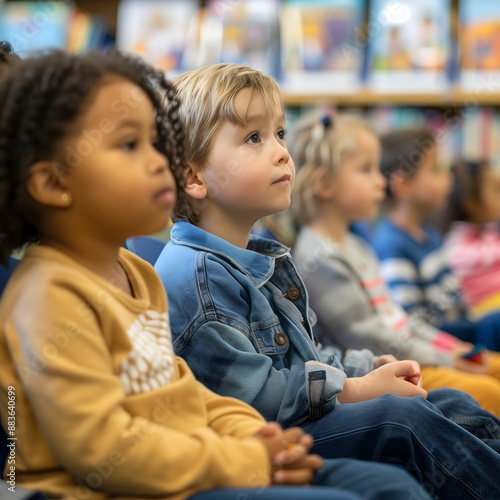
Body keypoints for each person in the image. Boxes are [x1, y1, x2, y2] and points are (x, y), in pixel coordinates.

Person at [0, 47, 429, 500]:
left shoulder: (135, 274)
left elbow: (180, 391)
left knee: (387, 484)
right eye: (130, 145)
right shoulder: (48, 297)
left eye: (156, 142)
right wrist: (244, 459)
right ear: (53, 183)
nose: (160, 161)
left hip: (201, 461)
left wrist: (252, 436)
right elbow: (108, 452)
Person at [155, 62, 500, 499]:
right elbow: (256, 398)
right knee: (400, 421)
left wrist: (364, 370)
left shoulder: (257, 258)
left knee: (449, 401)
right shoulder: (196, 274)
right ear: (193, 177)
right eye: (253, 138)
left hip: (303, 417)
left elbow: (306, 355)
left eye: (280, 134)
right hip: (269, 441)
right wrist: (356, 389)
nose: (282, 152)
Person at [290, 112, 500, 416]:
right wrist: (445, 359)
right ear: (324, 185)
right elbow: (373, 337)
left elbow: (399, 319)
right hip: (388, 369)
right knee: (488, 392)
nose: (381, 180)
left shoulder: (356, 244)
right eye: (366, 170)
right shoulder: (319, 258)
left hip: (416, 356)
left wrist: (451, 347)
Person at [372, 128, 500, 353]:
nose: (448, 177)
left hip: (460, 335)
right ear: (404, 186)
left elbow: (457, 301)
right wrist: (474, 330)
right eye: (436, 169)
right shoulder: (392, 246)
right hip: (439, 347)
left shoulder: (431, 235)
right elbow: (414, 325)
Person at [441, 160, 500, 322]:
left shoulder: (489, 232)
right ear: (472, 203)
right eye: (496, 190)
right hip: (483, 313)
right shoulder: (456, 244)